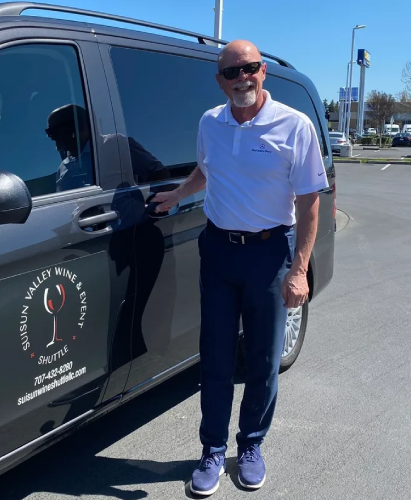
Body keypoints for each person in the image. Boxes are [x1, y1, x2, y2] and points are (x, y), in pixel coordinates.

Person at [152, 40, 328, 495]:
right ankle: (211, 450)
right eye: (231, 73)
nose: (241, 79)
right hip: (218, 252)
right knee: (215, 356)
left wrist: (299, 268)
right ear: (220, 81)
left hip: (270, 254)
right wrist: (177, 194)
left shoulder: (295, 125)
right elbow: (205, 170)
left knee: (264, 359)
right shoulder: (211, 122)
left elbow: (310, 203)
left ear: (262, 71)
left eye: (248, 68)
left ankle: (250, 444)